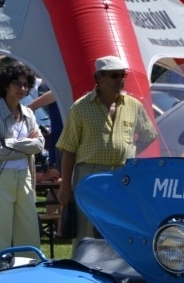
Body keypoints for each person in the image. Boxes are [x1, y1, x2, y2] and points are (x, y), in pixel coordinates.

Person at [56, 55, 157, 251]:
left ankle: (116, 270)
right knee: (85, 229)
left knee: (118, 226)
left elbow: (149, 134)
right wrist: (65, 187)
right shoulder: (80, 107)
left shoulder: (133, 105)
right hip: (89, 174)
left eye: (122, 75)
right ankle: (81, 271)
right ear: (99, 78)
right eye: (114, 76)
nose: (120, 80)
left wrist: (130, 151)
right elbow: (68, 150)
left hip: (121, 175)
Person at [0, 61, 45, 260]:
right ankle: (0, 271)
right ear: (5, 85)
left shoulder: (29, 113)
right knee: (1, 230)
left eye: (26, 84)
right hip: (0, 178)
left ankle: (29, 269)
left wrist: (11, 143)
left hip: (25, 176)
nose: (22, 88)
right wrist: (25, 146)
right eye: (17, 83)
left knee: (29, 228)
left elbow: (39, 144)